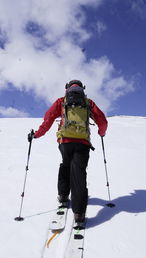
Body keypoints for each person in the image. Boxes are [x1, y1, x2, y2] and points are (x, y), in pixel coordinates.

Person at [28, 80, 108, 225]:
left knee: (66, 165)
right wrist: (101, 133)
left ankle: (63, 196)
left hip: (65, 142)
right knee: (79, 173)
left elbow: (48, 119)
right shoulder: (88, 102)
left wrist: (37, 135)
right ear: (82, 88)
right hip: (82, 143)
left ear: (67, 88)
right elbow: (102, 121)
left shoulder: (61, 101)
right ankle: (79, 213)